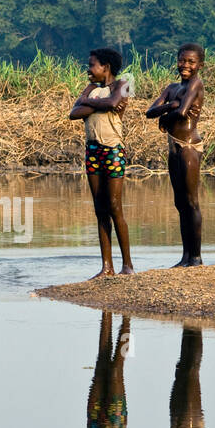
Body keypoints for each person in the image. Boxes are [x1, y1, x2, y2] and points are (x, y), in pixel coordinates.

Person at [68, 49, 134, 278]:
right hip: (93, 150)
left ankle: (127, 266)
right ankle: (107, 267)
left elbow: (114, 101)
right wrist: (98, 103)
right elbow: (74, 113)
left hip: (113, 150)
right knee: (100, 209)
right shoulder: (91, 89)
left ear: (105, 67)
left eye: (92, 65)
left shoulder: (122, 84)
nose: (88, 69)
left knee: (115, 207)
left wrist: (90, 103)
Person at [145, 43, 206, 266]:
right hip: (173, 146)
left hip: (189, 145)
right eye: (182, 60)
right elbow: (149, 112)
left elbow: (182, 113)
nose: (185, 65)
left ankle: (196, 257)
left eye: (191, 62)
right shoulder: (172, 88)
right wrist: (170, 106)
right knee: (180, 202)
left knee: (191, 201)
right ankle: (185, 256)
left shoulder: (196, 83)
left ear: (200, 65)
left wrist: (165, 117)